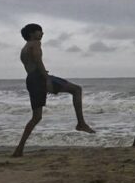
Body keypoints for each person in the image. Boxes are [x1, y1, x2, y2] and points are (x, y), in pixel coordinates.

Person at [12, 23, 95, 157]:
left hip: (31, 80)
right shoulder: (35, 44)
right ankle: (81, 123)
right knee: (76, 90)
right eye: (39, 31)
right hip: (39, 78)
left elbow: (33, 64)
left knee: (36, 117)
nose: (42, 33)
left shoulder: (24, 48)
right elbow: (38, 61)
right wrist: (47, 80)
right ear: (32, 33)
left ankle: (19, 149)